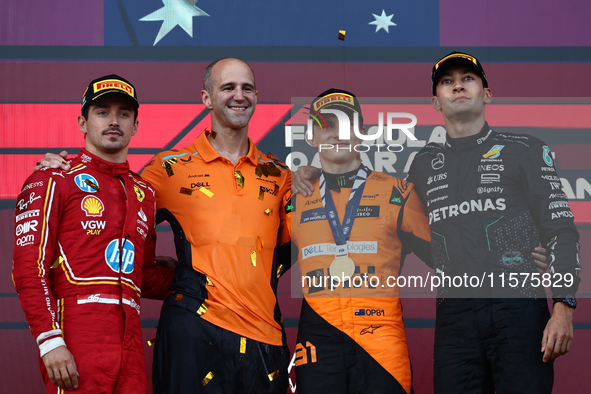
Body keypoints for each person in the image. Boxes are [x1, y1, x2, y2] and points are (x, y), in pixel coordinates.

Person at [35, 58, 292, 393]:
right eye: (227, 87)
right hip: (195, 330)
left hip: (264, 334)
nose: (238, 95)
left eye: (246, 88)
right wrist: (63, 168)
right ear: (207, 98)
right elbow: (111, 221)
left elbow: (301, 247)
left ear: (257, 96)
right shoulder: (168, 169)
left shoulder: (279, 174)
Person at [406, 51, 581, 393]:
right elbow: (402, 230)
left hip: (518, 309)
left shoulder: (525, 150)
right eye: (447, 82)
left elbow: (560, 230)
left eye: (468, 79)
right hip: (454, 317)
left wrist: (563, 305)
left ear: (487, 93)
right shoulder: (423, 164)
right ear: (435, 102)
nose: (458, 87)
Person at [13, 74, 173, 393]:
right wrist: (49, 341)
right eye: (102, 112)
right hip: (76, 336)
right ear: (83, 122)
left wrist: (202, 277)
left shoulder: (145, 192)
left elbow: (142, 275)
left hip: (130, 345)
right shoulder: (52, 178)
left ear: (136, 126)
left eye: (124, 113)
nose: (114, 121)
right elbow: (28, 268)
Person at [289, 89, 432, 394]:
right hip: (318, 345)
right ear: (312, 136)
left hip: (381, 344)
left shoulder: (399, 193)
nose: (338, 133)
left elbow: (450, 259)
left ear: (363, 134)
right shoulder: (294, 199)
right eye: (327, 124)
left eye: (347, 124)